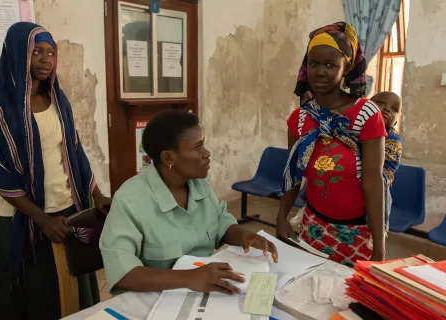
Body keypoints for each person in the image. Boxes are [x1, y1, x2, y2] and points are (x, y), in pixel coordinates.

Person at [0, 22, 111, 320]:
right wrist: (42, 219)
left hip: (67, 209)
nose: (45, 59)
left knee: (76, 289)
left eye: (51, 53)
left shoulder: (58, 99)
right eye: (36, 51)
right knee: (36, 295)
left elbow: (75, 151)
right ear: (16, 52)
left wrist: (98, 195)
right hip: (25, 217)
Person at [100, 110, 278, 295]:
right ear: (168, 157)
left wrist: (245, 236)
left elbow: (221, 224)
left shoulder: (200, 184)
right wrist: (189, 278)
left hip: (198, 293)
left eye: (204, 145)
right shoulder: (131, 200)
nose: (206, 153)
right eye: (197, 147)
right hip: (151, 299)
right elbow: (123, 274)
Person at [277, 22, 387, 267]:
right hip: (312, 226)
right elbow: (293, 174)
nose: (320, 72)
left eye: (330, 65)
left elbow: (373, 181)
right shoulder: (301, 118)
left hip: (355, 232)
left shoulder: (366, 115)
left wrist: (378, 248)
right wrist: (282, 217)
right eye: (314, 63)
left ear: (346, 68)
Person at [371, 91, 402, 231]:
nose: (387, 109)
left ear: (396, 120)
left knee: (381, 189)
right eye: (381, 103)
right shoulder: (355, 127)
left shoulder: (392, 137)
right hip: (356, 171)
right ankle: (306, 203)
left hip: (381, 175)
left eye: (394, 109)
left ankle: (379, 229)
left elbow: (388, 166)